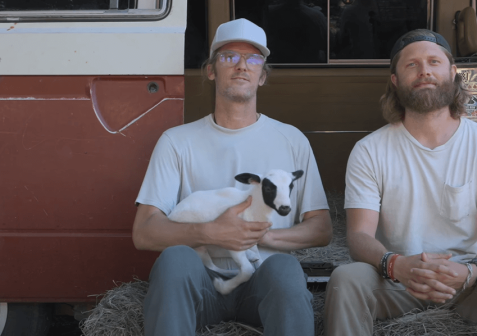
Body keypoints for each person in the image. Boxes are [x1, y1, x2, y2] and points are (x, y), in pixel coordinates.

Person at [324, 29, 477, 336]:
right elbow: (359, 236)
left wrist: (470, 271)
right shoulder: (369, 150)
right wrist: (396, 265)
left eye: (434, 62)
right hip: (395, 279)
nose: (424, 70)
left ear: (452, 73)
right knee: (345, 280)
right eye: (411, 65)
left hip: (467, 280)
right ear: (395, 80)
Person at [132, 18, 332, 336]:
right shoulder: (177, 141)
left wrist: (261, 238)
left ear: (262, 75)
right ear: (211, 70)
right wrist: (211, 232)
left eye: (253, 59)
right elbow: (144, 232)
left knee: (285, 267)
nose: (241, 65)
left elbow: (321, 228)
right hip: (200, 286)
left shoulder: (291, 140)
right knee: (174, 261)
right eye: (229, 57)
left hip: (262, 287)